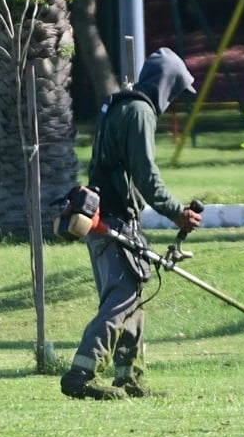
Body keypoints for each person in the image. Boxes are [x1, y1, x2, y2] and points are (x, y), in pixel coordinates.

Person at [61, 48, 203, 400]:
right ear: (166, 84)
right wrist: (177, 212)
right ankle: (81, 373)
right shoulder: (139, 111)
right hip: (113, 219)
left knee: (132, 297)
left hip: (108, 217)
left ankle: (128, 377)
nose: (174, 100)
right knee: (122, 298)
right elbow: (146, 175)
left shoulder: (121, 104)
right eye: (176, 91)